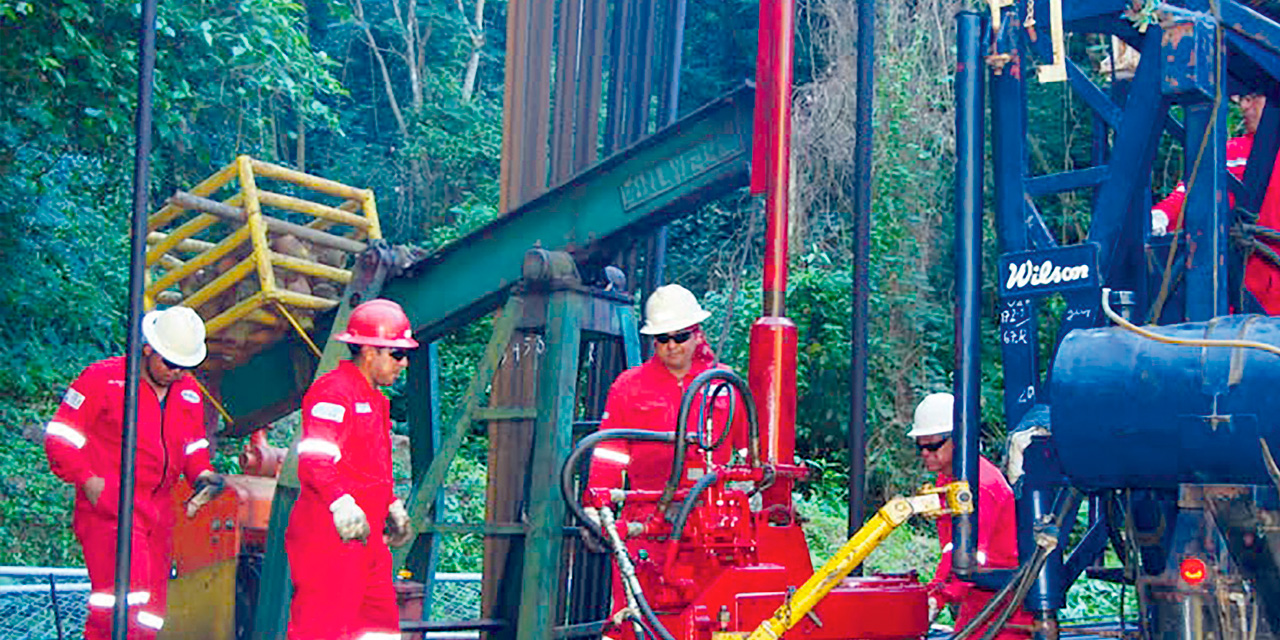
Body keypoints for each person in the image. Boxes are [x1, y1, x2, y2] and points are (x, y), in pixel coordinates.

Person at [44, 306, 225, 639]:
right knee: (121, 604)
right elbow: (60, 436)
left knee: (150, 613)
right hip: (112, 508)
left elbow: (194, 448)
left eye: (184, 367)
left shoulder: (188, 394)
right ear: (147, 349)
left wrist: (202, 475)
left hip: (159, 512)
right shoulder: (103, 379)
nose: (176, 373)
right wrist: (88, 480)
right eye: (169, 363)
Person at [585, 284, 747, 627]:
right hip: (647, 524)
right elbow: (610, 454)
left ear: (697, 332)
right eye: (662, 338)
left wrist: (753, 503)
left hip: (714, 529)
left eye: (680, 336)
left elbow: (747, 454)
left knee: (718, 621)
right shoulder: (629, 387)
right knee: (640, 619)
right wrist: (595, 505)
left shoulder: (725, 385)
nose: (672, 345)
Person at [286, 299, 418, 640]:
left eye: (405, 355)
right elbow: (316, 458)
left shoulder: (375, 400)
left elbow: (372, 465)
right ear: (370, 351)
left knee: (378, 629)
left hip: (367, 536)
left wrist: (391, 504)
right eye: (397, 354)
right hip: (329, 535)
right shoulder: (334, 393)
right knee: (322, 629)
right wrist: (340, 502)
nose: (403, 363)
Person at [910, 392, 1029, 639]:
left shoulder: (980, 486)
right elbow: (952, 548)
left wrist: (936, 599)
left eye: (932, 445)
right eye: (920, 446)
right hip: (976, 599)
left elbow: (968, 551)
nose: (924, 453)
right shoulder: (949, 479)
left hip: (1003, 604)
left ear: (959, 441)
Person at [1152, 93, 1280, 314]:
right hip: (1244, 314)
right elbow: (1190, 191)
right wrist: (1161, 216)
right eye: (1242, 99)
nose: (1243, 105)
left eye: (1252, 97)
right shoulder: (1232, 152)